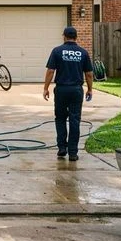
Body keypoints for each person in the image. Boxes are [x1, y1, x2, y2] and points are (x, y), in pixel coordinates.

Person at [42, 26, 93, 162]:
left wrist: (46, 88)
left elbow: (50, 71)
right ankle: (73, 153)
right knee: (75, 120)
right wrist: (90, 89)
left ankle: (62, 148)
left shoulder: (57, 51)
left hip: (61, 90)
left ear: (64, 36)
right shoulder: (83, 52)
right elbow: (88, 74)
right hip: (76, 90)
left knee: (60, 118)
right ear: (76, 37)